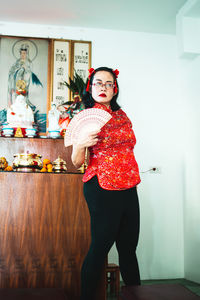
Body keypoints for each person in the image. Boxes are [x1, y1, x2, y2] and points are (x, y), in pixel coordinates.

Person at [71, 67, 141, 300]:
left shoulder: (122, 116)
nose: (103, 87)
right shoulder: (86, 116)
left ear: (115, 88)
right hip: (101, 186)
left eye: (108, 83)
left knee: (129, 249)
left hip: (129, 186)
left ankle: (136, 296)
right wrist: (81, 143)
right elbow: (76, 162)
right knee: (100, 248)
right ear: (91, 87)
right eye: (98, 82)